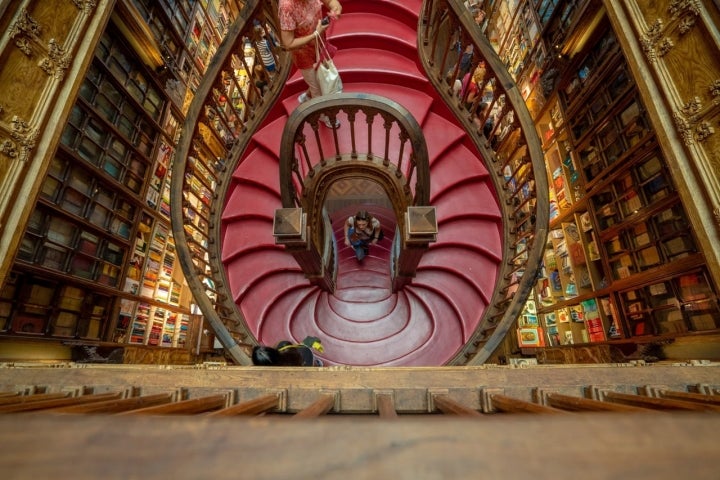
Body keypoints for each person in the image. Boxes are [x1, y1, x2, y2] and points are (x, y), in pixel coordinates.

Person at [278, 0, 342, 128]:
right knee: (317, 89)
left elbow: (330, 2)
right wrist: (315, 34)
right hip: (304, 54)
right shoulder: (286, 7)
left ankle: (306, 96)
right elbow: (288, 43)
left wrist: (336, 7)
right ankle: (324, 116)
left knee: (322, 77)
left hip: (320, 45)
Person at [251, 336, 324, 366]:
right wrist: (311, 341)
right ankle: (318, 365)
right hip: (307, 363)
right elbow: (303, 346)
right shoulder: (283, 344)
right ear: (271, 350)